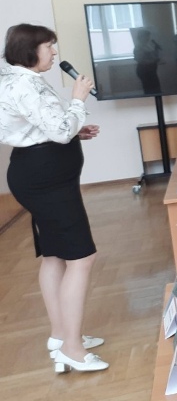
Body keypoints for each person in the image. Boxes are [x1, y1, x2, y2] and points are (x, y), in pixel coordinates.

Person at [0, 24, 107, 373]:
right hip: (46, 180)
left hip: (39, 173)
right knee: (82, 257)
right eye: (49, 46)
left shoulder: (17, 79)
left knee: (54, 255)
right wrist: (77, 100)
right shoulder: (24, 84)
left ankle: (61, 336)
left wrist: (76, 131)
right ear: (30, 50)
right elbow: (60, 131)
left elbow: (49, 127)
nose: (54, 52)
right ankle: (73, 349)